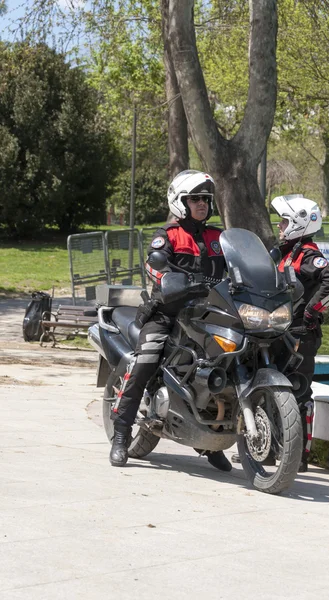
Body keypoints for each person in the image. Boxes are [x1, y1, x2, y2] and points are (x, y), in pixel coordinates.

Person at [109, 170, 232, 472]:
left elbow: (237, 269)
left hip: (205, 317)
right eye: (195, 199)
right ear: (180, 202)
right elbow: (154, 266)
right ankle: (121, 435)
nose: (202, 204)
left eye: (205, 199)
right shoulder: (168, 236)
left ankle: (209, 440)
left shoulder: (219, 238)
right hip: (167, 314)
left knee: (224, 367)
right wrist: (168, 279)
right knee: (146, 362)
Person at [271, 195, 329, 472]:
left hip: (302, 333)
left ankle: (299, 456)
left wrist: (312, 311)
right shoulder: (289, 251)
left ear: (298, 223)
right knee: (276, 388)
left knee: (299, 391)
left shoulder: (309, 254)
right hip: (280, 330)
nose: (280, 225)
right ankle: (270, 448)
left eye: (284, 221)